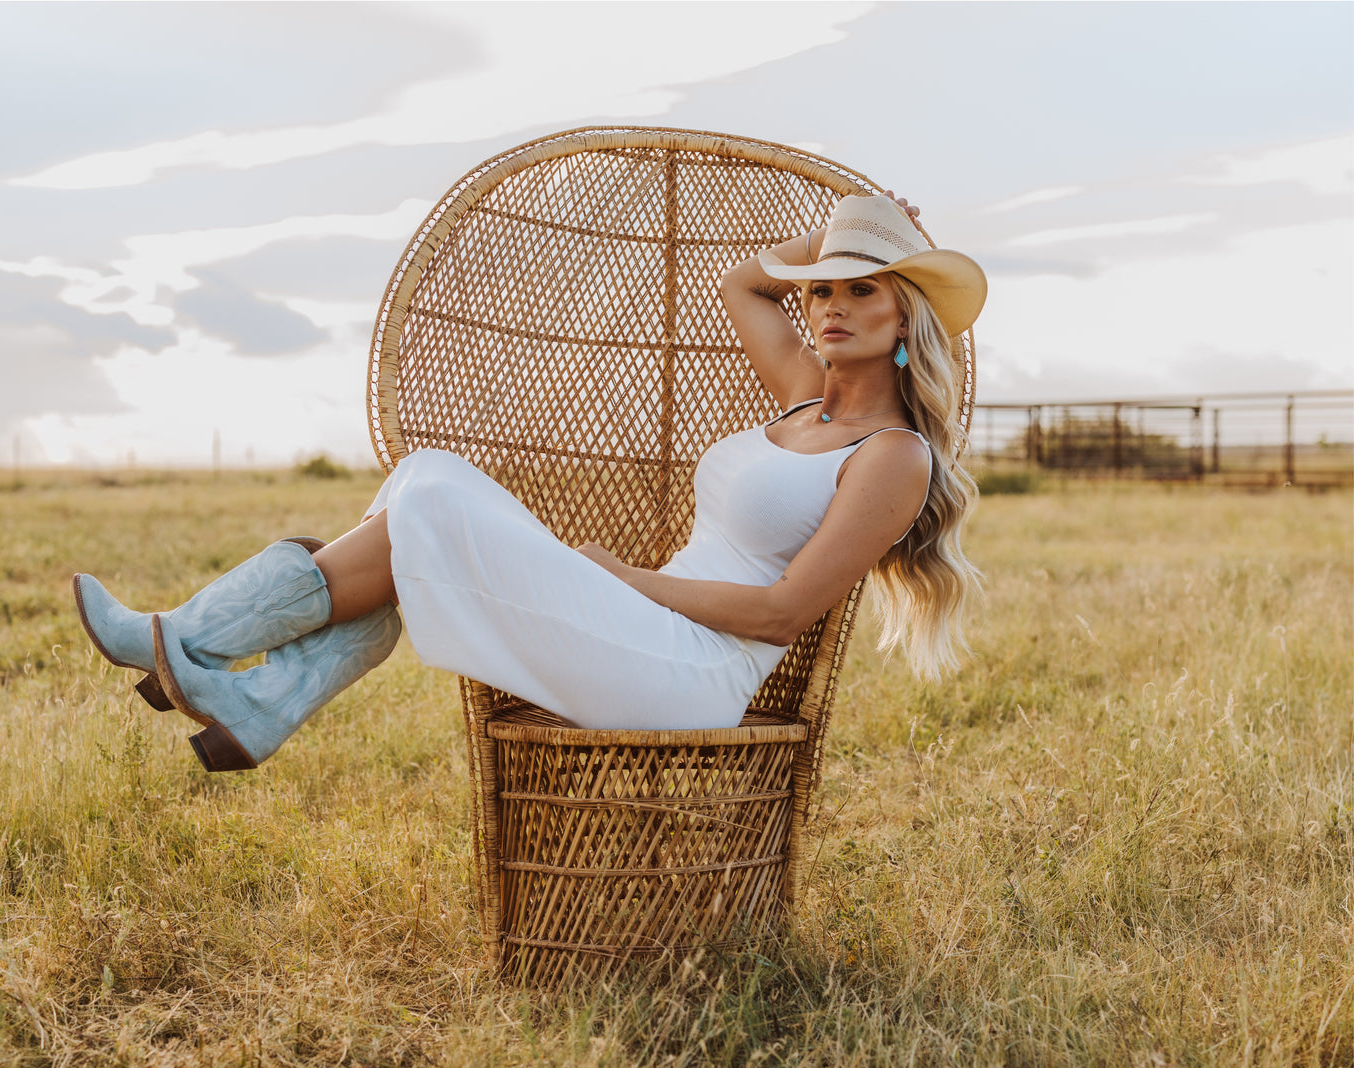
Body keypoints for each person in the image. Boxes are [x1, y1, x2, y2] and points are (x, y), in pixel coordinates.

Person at [73, 192, 986, 773]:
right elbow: (744, 284)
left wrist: (619, 577)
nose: (830, 307)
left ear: (906, 311)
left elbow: (783, 612)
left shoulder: (892, 456)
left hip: (691, 675)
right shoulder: (801, 403)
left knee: (427, 504)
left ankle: (202, 649)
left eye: (861, 290)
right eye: (822, 291)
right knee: (428, 474)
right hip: (645, 627)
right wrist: (841, 234)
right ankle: (243, 683)